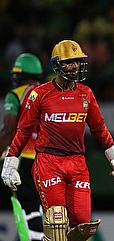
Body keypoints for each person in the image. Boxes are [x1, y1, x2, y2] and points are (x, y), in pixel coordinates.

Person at [1, 40, 114, 241]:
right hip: (48, 163)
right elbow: (23, 131)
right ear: (57, 65)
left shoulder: (86, 93)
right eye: (69, 62)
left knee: (82, 225)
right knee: (57, 223)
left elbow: (99, 128)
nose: (75, 66)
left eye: (77, 62)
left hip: (77, 163)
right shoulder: (39, 94)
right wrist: (11, 163)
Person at [0, 53, 44, 241]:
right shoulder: (48, 92)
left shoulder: (15, 95)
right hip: (49, 158)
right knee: (43, 205)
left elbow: (9, 129)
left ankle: (36, 237)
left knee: (28, 205)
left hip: (24, 158)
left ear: (19, 75)